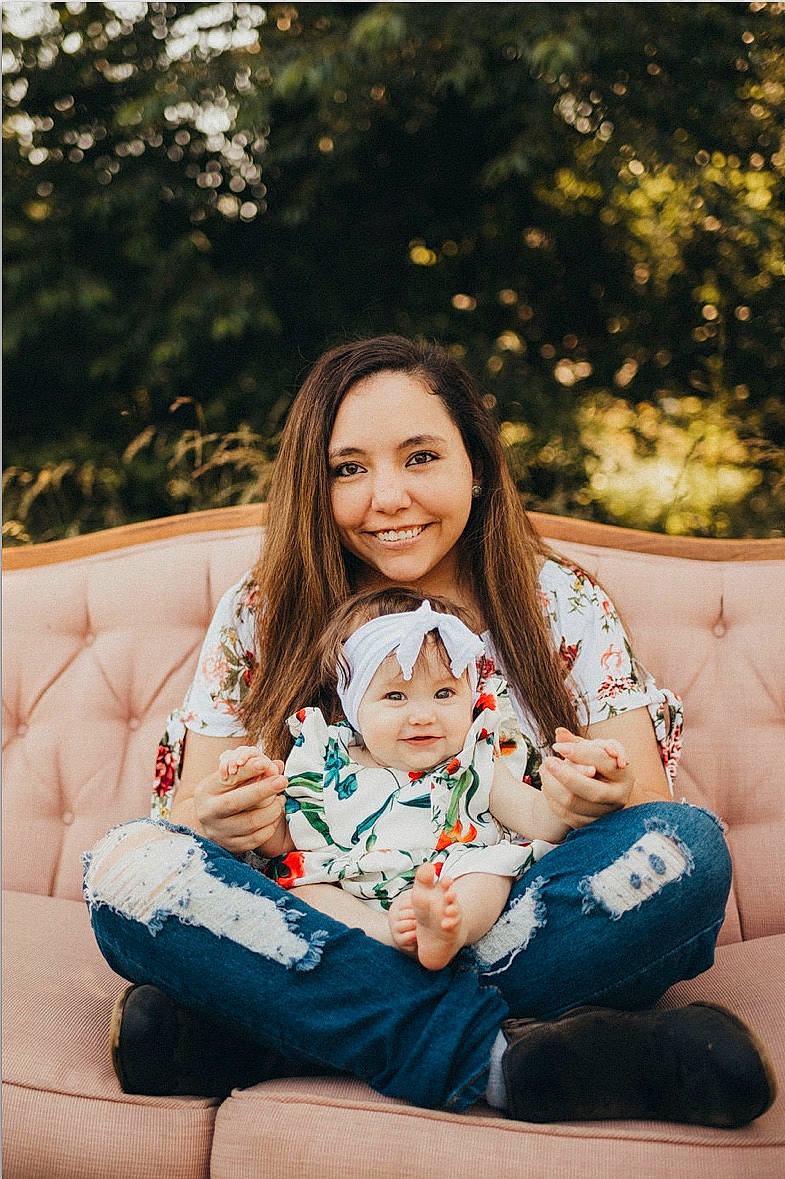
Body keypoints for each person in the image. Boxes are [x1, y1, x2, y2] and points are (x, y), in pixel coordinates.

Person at [83, 335, 775, 1126]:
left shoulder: (561, 601)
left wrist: (596, 796)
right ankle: (501, 1062)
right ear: (313, 484)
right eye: (348, 468)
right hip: (323, 918)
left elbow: (648, 809)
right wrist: (216, 819)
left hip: (505, 918)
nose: (387, 496)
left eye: (419, 457)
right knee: (126, 869)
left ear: (475, 465)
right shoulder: (263, 609)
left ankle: (269, 1036)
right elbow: (184, 821)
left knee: (685, 849)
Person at [218, 588, 585, 970]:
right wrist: (252, 792)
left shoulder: (473, 759)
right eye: (395, 696)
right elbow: (285, 841)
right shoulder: (325, 758)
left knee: (490, 873)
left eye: (444, 693)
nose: (423, 716)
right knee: (305, 888)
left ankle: (450, 929)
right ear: (355, 705)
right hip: (351, 886)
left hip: (449, 880)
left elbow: (539, 820)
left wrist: (569, 789)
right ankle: (386, 935)